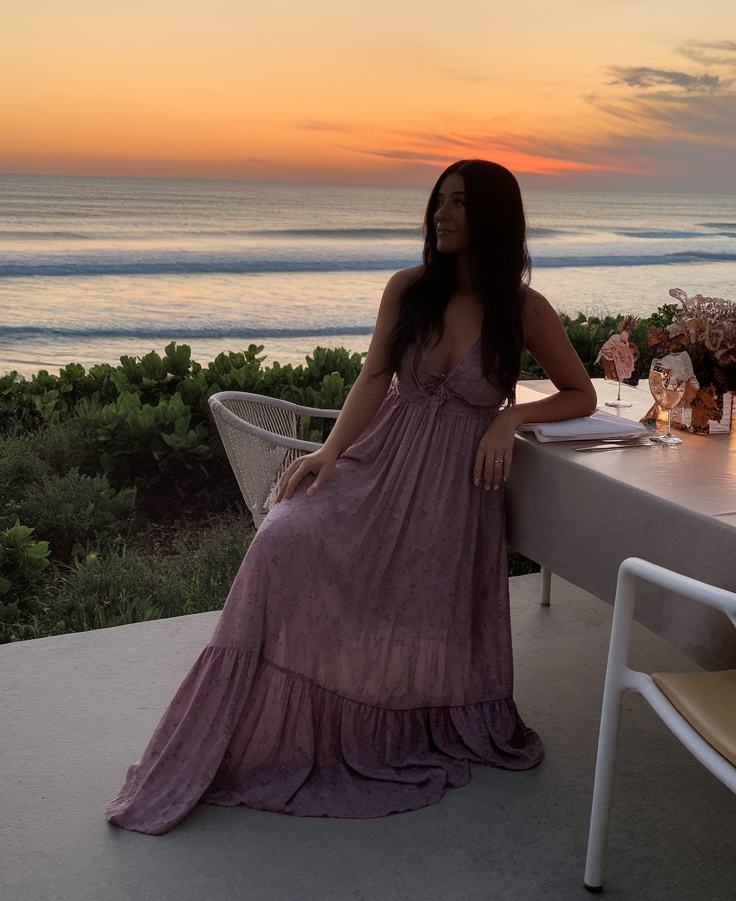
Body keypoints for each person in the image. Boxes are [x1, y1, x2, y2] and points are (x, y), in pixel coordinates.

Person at [106, 159, 596, 835]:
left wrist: (510, 418)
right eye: (438, 203)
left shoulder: (525, 311)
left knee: (415, 592)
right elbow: (371, 379)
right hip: (381, 462)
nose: (441, 215)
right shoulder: (410, 289)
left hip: (454, 495)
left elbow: (582, 394)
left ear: (494, 217)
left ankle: (403, 716)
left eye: (459, 203)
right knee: (284, 538)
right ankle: (252, 720)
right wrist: (329, 452)